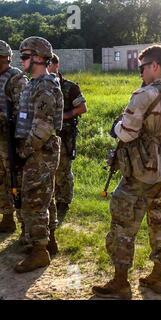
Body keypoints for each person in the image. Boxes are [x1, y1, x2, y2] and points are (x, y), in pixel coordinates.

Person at [92, 45, 161, 299]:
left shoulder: (144, 95)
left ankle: (120, 281)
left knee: (123, 224)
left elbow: (127, 132)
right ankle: (158, 277)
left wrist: (115, 126)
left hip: (140, 172)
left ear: (155, 66)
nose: (140, 72)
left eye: (142, 67)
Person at [14, 36, 63, 273]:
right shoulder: (32, 84)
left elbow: (43, 127)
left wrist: (25, 150)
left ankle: (39, 251)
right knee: (45, 197)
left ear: (40, 58)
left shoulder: (45, 85)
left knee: (34, 201)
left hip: (38, 151)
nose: (21, 60)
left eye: (25, 56)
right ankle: (49, 241)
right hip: (34, 150)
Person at [47, 53, 87, 222]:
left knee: (64, 169)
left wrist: (63, 116)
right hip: (47, 134)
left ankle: (64, 201)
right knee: (49, 169)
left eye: (51, 65)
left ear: (57, 66)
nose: (49, 69)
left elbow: (82, 108)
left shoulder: (70, 87)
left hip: (65, 134)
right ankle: (52, 199)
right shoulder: (41, 86)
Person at [0, 40, 27, 235]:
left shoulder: (16, 78)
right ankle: (7, 218)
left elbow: (22, 109)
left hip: (10, 136)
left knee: (14, 177)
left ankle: (25, 225)